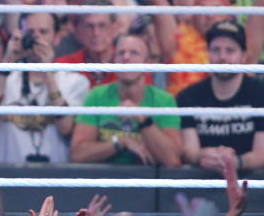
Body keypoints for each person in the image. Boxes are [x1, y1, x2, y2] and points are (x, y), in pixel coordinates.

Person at [177, 21, 264, 172]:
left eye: (230, 50)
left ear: (244, 55)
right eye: (216, 50)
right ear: (208, 53)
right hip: (201, 184)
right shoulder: (187, 97)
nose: (222, 57)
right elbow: (189, 152)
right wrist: (205, 155)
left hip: (252, 184)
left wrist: (235, 162)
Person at [0, 13, 89, 164]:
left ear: (57, 38)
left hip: (55, 177)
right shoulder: (5, 77)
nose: (36, 39)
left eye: (43, 32)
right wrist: (7, 61)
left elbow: (65, 128)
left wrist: (46, 71)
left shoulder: (75, 81)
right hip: (8, 176)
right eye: (31, 33)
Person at [70, 33, 182, 167]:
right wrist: (122, 142)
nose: (126, 57)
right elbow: (77, 154)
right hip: (105, 181)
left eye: (134, 53)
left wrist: (142, 119)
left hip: (147, 182)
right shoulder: (97, 96)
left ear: (148, 64)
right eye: (121, 53)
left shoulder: (164, 101)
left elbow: (172, 160)